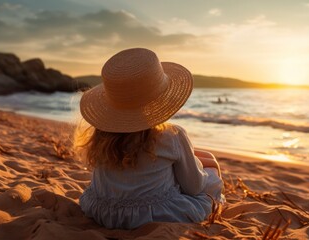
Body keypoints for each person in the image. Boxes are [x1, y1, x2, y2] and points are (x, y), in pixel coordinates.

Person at [74, 48, 224, 230]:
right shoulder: (172, 135)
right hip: (154, 215)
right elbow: (193, 187)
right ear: (160, 96)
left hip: (104, 212)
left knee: (199, 156)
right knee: (212, 166)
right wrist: (207, 168)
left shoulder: (102, 138)